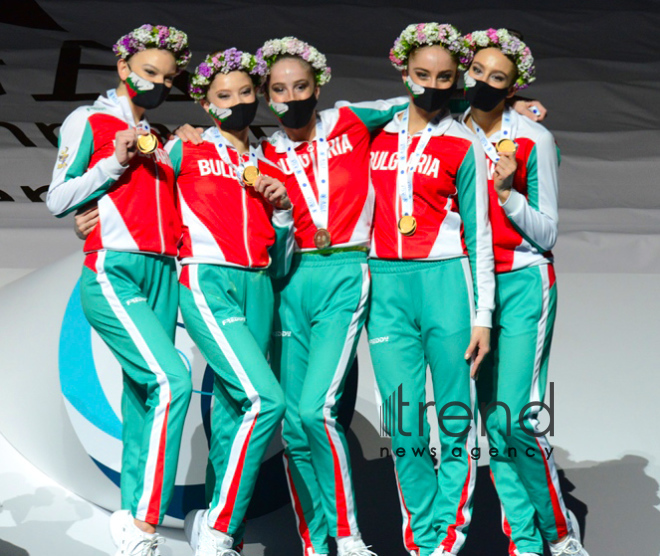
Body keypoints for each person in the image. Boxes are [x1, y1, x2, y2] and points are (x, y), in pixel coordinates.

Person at [256, 36, 416, 556]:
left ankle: (348, 537)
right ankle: (315, 542)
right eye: (278, 89)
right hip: (290, 280)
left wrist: (510, 114)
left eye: (301, 86)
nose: (291, 97)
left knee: (316, 410)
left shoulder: (352, 120)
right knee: (294, 427)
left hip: (347, 271)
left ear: (318, 86)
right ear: (265, 95)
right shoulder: (262, 156)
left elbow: (428, 97)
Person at [46, 24, 193, 556]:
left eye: (167, 78)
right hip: (114, 268)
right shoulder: (89, 119)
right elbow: (59, 199)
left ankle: (132, 520)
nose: (155, 84)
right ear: (123, 68)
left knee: (144, 397)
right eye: (147, 72)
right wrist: (113, 161)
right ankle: (145, 521)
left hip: (164, 271)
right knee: (171, 380)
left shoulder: (161, 135)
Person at [460, 28, 589, 556]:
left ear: (514, 88)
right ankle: (525, 541)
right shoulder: (447, 130)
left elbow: (549, 233)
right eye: (479, 72)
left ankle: (560, 533)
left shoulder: (534, 139)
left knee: (516, 417)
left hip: (522, 281)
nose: (485, 84)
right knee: (493, 422)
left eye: (499, 78)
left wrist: (508, 194)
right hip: (467, 285)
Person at [367, 23, 494, 556]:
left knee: (454, 418)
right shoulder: (372, 134)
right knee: (401, 423)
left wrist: (483, 313)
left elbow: (480, 233)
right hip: (384, 288)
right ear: (403, 72)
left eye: (445, 78)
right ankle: (419, 536)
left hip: (447, 280)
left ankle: (446, 535)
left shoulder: (464, 143)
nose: (432, 87)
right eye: (421, 75)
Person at [172, 47, 293, 556]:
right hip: (206, 279)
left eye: (246, 93)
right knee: (266, 400)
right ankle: (219, 527)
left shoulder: (269, 159)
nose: (238, 103)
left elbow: (284, 259)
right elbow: (131, 192)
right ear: (205, 102)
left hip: (260, 283)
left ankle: (223, 536)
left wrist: (283, 212)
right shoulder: (186, 150)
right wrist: (87, 219)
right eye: (225, 95)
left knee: (231, 412)